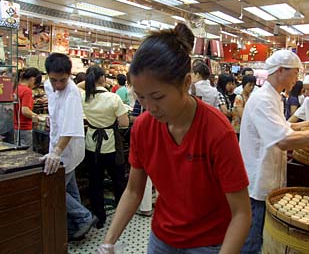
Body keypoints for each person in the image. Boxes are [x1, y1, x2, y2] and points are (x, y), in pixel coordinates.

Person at [98, 23, 251, 254]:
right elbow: (133, 190)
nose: (150, 107)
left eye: (157, 97)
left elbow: (241, 213)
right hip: (162, 239)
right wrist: (108, 241)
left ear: (186, 83)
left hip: (208, 244)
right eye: (141, 97)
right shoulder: (143, 127)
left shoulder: (217, 132)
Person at [239, 50, 309, 254]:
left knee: (260, 238)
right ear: (281, 70)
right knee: (252, 242)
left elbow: (283, 128)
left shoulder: (274, 97)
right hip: (258, 182)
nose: (297, 80)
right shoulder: (263, 100)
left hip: (268, 176)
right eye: (295, 73)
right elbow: (283, 140)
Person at [41, 53, 98, 241]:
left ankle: (84, 217)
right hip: (57, 144)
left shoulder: (72, 92)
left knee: (54, 189)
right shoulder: (49, 85)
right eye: (54, 79)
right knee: (70, 190)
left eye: (62, 80)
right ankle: (76, 227)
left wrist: (57, 152)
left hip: (67, 149)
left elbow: (71, 127)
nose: (58, 84)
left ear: (70, 74)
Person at [82, 66, 131, 229]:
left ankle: (99, 218)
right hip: (111, 144)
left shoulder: (84, 97)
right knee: (118, 180)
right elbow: (124, 123)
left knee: (95, 182)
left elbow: (76, 87)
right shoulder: (113, 98)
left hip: (91, 144)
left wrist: (89, 81)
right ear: (103, 78)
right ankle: (121, 216)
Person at [14, 67, 42, 147]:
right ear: (33, 79)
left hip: (14, 127)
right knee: (25, 153)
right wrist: (37, 117)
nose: (34, 86)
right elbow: (25, 111)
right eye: (36, 84)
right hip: (24, 127)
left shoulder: (16, 88)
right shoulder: (27, 91)